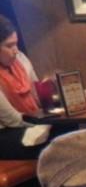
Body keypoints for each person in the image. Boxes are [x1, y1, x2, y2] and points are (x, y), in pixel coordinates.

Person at [0, 14, 49, 160]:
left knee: (67, 131)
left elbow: (38, 94)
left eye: (16, 43)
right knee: (56, 141)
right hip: (6, 133)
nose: (15, 50)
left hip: (30, 122)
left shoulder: (20, 58)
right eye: (9, 46)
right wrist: (46, 123)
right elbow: (12, 120)